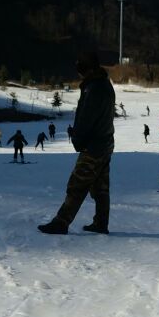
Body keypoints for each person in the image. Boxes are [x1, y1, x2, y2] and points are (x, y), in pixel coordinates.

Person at [38, 51, 115, 234]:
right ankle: (101, 223)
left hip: (94, 146)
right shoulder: (104, 84)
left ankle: (61, 222)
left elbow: (85, 119)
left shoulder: (93, 88)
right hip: (105, 143)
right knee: (100, 187)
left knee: (77, 184)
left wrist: (78, 139)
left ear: (85, 69)